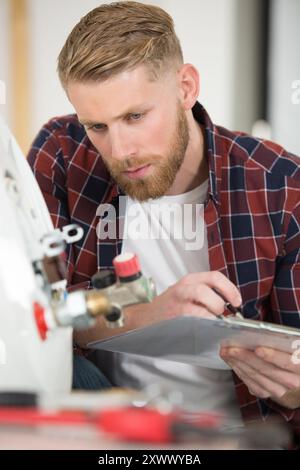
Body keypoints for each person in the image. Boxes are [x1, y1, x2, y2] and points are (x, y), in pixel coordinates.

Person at [28, 1, 300, 445]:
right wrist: (151, 315)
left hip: (235, 433)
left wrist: (293, 390)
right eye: (97, 125)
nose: (119, 150)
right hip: (110, 425)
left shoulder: (281, 187)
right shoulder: (61, 153)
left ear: (186, 87)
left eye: (135, 117)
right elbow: (38, 320)